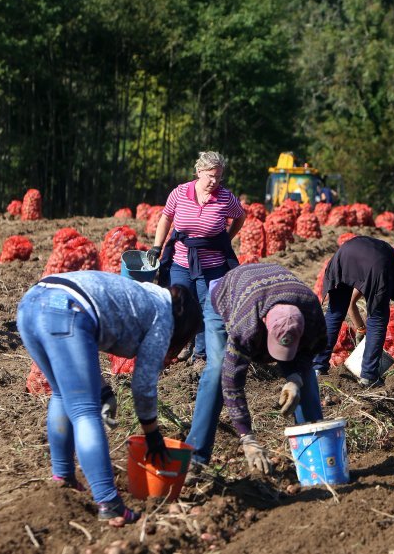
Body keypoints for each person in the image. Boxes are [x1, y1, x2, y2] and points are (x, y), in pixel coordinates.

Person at [16, 272, 201, 526]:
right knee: (84, 410)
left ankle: (64, 478)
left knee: (61, 392)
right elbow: (143, 387)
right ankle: (109, 503)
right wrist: (152, 434)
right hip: (66, 310)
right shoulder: (163, 321)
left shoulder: (144, 295)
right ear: (183, 325)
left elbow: (83, 348)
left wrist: (103, 389)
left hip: (32, 303)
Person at [208, 263, 326, 475]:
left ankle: (312, 453)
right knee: (217, 372)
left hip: (276, 291)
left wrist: (295, 378)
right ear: (264, 323)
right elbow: (232, 381)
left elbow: (312, 349)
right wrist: (247, 437)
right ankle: (197, 455)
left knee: (307, 378)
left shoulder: (312, 310)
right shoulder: (246, 325)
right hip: (230, 292)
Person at [150, 151, 245, 363]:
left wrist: (227, 238)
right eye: (210, 175)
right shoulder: (180, 192)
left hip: (212, 265)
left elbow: (240, 216)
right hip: (181, 261)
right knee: (180, 306)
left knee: (206, 308)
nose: (214, 181)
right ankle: (182, 345)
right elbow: (166, 218)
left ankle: (200, 354)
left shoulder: (225, 197)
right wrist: (157, 246)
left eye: (218, 176)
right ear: (199, 171)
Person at [313, 236, 394, 387]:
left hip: (345, 253)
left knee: (334, 312)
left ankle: (317, 367)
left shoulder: (392, 265)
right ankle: (369, 375)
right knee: (378, 319)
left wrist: (360, 328)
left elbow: (350, 303)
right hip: (375, 263)